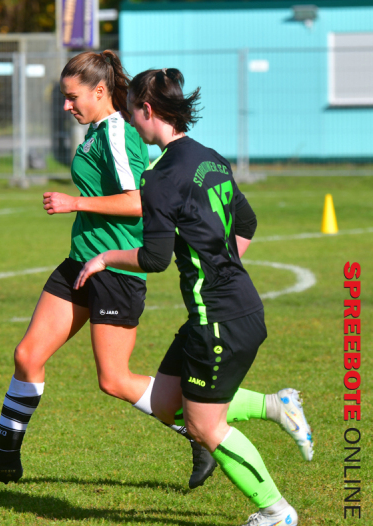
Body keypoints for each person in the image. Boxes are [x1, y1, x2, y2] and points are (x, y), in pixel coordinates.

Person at [0, 50, 218, 494]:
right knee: (27, 356)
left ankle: (198, 433)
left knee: (114, 380)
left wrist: (74, 202)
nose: (65, 105)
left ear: (99, 91)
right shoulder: (96, 132)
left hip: (115, 270)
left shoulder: (117, 133)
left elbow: (139, 201)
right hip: (80, 261)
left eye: (71, 97)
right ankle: (5, 458)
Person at [74, 68, 313, 525]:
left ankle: (277, 511)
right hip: (226, 307)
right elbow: (247, 223)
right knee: (167, 405)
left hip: (219, 318)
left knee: (205, 426)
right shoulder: (210, 157)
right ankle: (275, 405)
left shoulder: (160, 176)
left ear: (147, 110)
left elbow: (154, 257)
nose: (131, 123)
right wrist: (223, 267)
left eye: (131, 112)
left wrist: (104, 258)